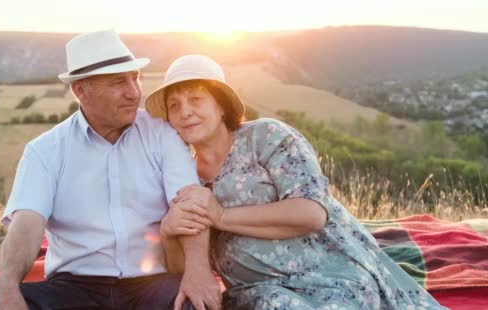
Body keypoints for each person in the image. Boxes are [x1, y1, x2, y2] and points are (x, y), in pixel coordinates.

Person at [145, 54, 446, 309]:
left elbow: (311, 213)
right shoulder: (181, 176)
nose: (185, 112)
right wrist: (170, 235)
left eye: (196, 99)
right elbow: (188, 272)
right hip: (261, 293)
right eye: (174, 105)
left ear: (220, 105)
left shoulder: (267, 137)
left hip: (330, 274)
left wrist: (221, 216)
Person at [0, 31, 222, 310]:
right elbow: (26, 225)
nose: (134, 93)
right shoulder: (45, 151)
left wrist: (196, 271)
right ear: (80, 90)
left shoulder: (162, 135)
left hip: (153, 283)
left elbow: (190, 204)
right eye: (118, 82)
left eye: (135, 78)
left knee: (194, 304)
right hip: (73, 287)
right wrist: (6, 287)